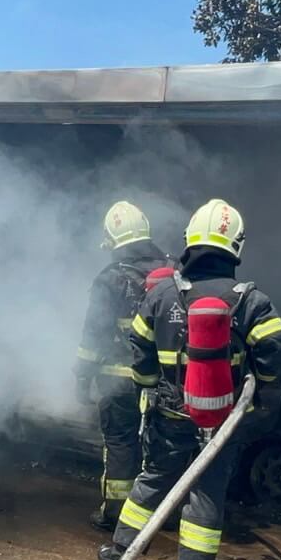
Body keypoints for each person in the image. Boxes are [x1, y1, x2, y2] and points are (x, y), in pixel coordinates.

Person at [98, 198, 281, 560]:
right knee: (207, 489)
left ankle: (121, 552)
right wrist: (264, 391)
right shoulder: (250, 299)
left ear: (189, 241)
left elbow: (139, 344)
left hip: (169, 409)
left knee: (156, 476)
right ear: (235, 244)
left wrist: (150, 383)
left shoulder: (164, 293)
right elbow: (274, 347)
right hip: (222, 417)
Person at [75, 201, 172, 531]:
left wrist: (81, 378)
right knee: (163, 447)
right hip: (167, 381)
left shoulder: (110, 280)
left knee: (120, 444)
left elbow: (93, 337)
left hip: (119, 382)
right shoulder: (173, 274)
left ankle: (115, 513)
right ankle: (161, 513)